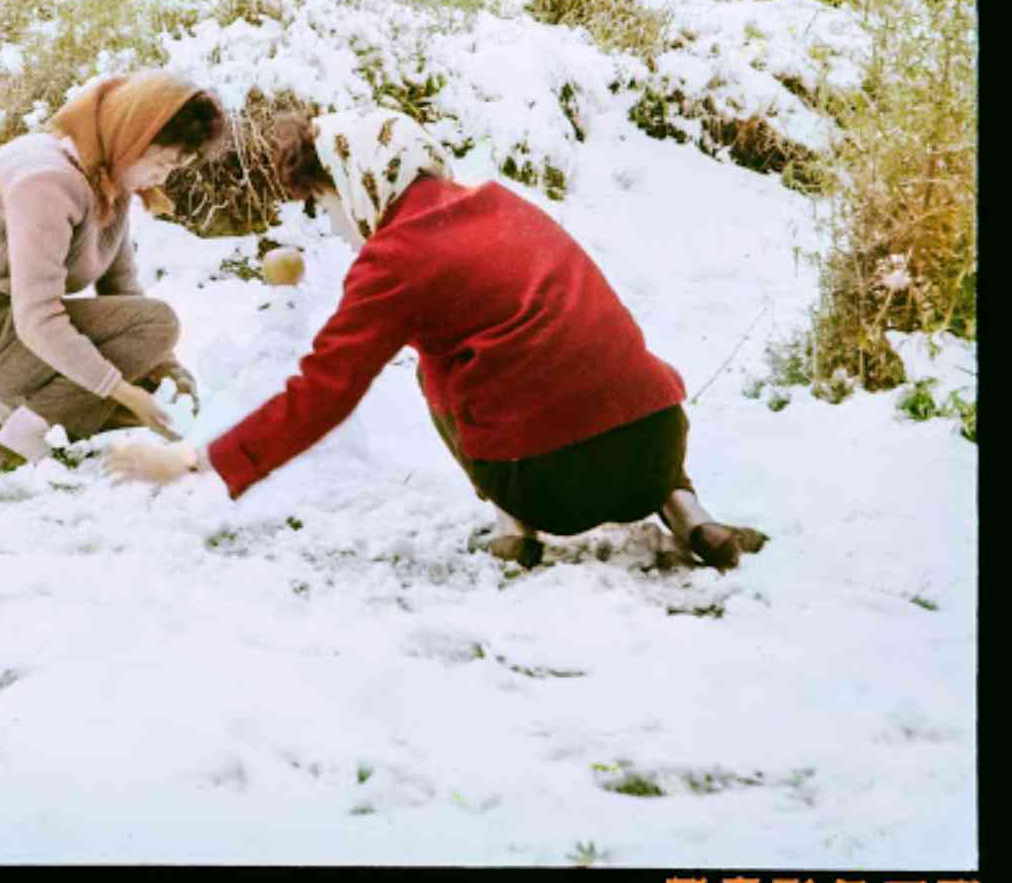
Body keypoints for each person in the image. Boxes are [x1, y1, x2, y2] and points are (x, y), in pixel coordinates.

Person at [106, 106, 766, 571]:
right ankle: (686, 510)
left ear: (358, 181)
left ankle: (516, 525)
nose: (333, 224)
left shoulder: (395, 255)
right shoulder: (504, 202)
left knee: (433, 367)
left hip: (555, 484)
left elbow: (323, 394)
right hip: (656, 439)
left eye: (326, 202)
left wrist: (198, 461)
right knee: (589, 352)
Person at [0, 70, 229, 476]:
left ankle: (9, 408)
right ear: (131, 135)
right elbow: (38, 316)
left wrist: (164, 366)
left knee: (156, 393)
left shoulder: (105, 176)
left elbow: (121, 286)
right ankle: (17, 441)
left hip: (11, 328)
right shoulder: (46, 181)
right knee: (157, 329)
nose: (163, 179)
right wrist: (121, 389)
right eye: (161, 164)